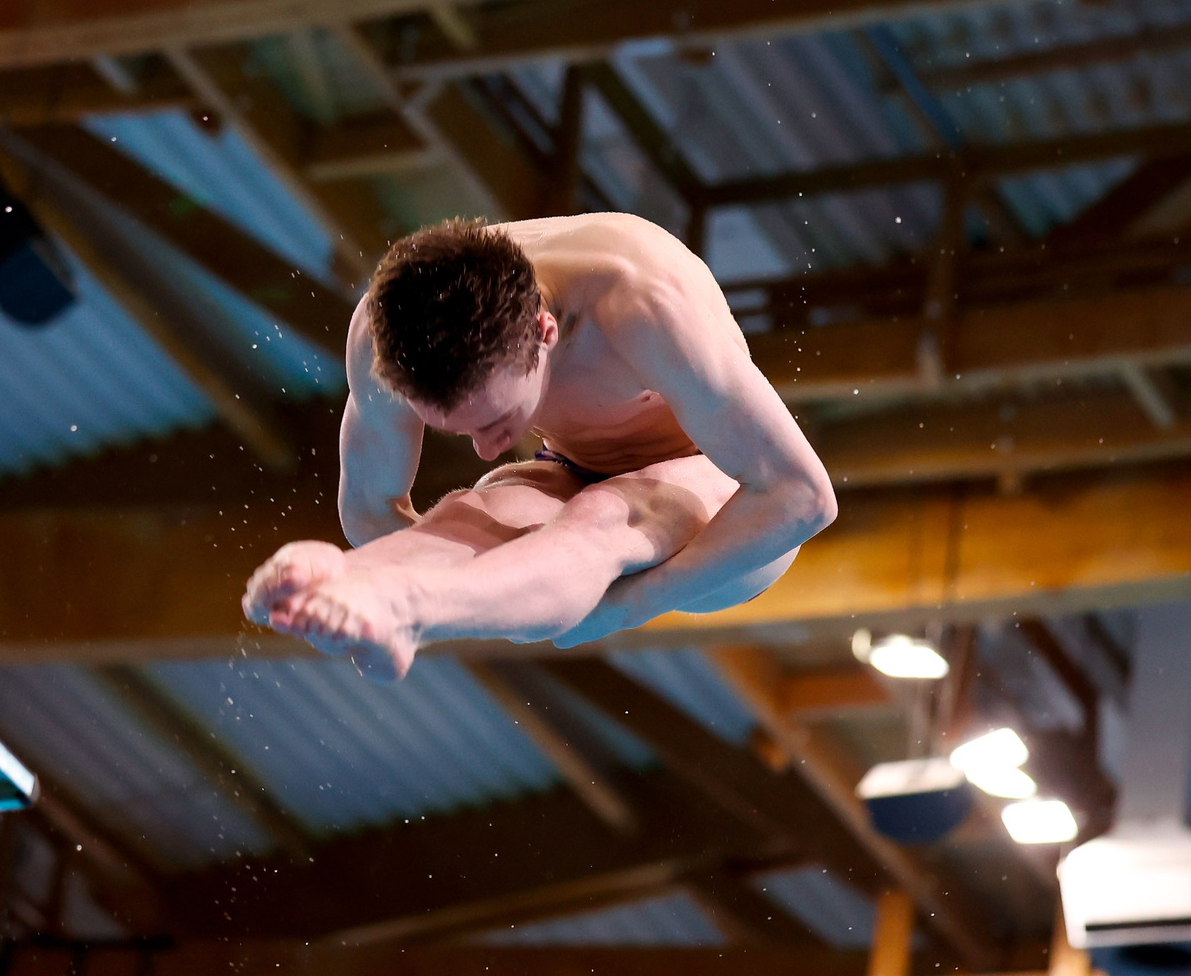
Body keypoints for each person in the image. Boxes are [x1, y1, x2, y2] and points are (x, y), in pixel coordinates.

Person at [242, 214, 837, 681]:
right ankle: (360, 588)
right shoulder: (380, 336)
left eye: (498, 419)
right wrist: (421, 558)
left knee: (601, 519)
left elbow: (802, 497)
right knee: (473, 512)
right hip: (570, 465)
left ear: (544, 333)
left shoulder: (642, 300)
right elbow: (374, 512)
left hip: (731, 498)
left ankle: (410, 606)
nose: (484, 448)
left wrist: (635, 603)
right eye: (461, 428)